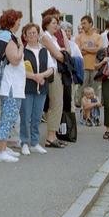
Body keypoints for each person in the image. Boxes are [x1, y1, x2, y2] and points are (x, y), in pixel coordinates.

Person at [0, 10, 26, 162]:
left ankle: (4, 147)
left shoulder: (5, 36)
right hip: (11, 85)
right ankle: (0, 152)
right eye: (18, 20)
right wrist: (21, 46)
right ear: (12, 21)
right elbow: (15, 59)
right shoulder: (7, 37)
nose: (20, 23)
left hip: (13, 85)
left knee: (8, 117)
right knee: (8, 118)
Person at [20, 23, 53, 155]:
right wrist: (34, 77)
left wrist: (42, 76)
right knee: (26, 116)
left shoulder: (44, 50)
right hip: (27, 88)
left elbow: (51, 68)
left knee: (37, 117)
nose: (32, 35)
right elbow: (20, 70)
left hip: (42, 87)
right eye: (29, 33)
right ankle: (24, 142)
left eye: (34, 32)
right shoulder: (22, 51)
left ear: (38, 34)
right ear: (25, 36)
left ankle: (34, 142)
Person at [41, 14, 67, 148]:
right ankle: (50, 137)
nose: (56, 25)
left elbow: (65, 51)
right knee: (56, 104)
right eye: (53, 23)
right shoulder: (45, 37)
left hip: (56, 71)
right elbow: (59, 55)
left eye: (57, 23)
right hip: (51, 72)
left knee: (58, 104)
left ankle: (54, 134)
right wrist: (63, 54)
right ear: (46, 24)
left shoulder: (54, 38)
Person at [75, 15, 102, 105]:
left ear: (90, 24)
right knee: (82, 88)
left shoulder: (98, 37)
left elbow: (99, 50)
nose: (82, 25)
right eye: (81, 23)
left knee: (95, 90)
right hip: (83, 67)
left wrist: (85, 49)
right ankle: (82, 108)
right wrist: (92, 50)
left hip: (95, 66)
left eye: (84, 23)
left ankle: (94, 110)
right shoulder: (79, 37)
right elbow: (78, 51)